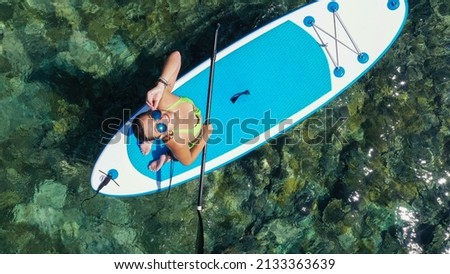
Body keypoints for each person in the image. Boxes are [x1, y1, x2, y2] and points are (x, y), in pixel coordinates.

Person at [132, 51, 212, 172]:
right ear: (163, 135)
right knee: (176, 155)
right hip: (185, 140)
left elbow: (177, 56)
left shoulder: (163, 101)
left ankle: (149, 139)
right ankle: (167, 157)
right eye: (160, 127)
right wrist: (205, 136)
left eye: (155, 115)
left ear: (152, 109)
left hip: (158, 129)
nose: (163, 119)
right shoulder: (175, 140)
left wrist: (161, 85)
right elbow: (187, 161)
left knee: (150, 129)